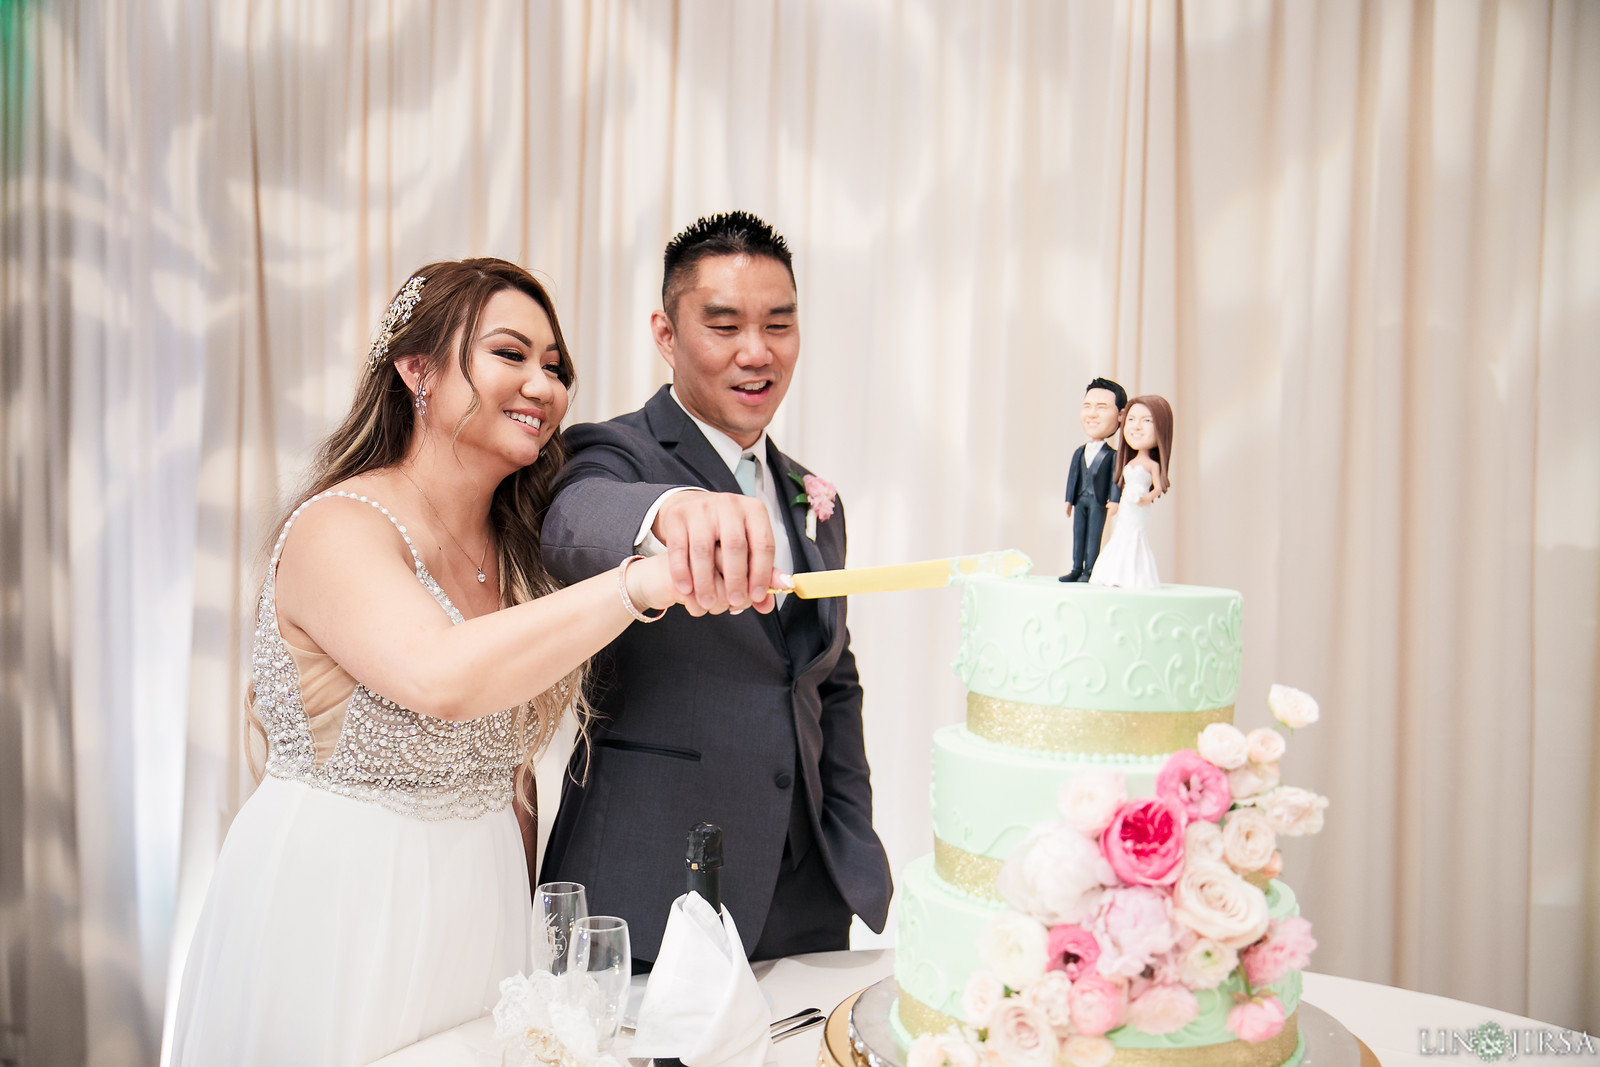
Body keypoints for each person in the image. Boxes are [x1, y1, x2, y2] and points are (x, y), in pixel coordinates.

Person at [170, 259, 714, 1066]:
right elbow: (442, 676)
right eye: (510, 353)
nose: (543, 384)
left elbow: (512, 770)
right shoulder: (338, 526)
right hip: (341, 909)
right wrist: (639, 584)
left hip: (480, 910)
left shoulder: (518, 549)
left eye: (555, 366)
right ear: (416, 369)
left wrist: (528, 927)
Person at [538, 211, 893, 964]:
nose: (756, 352)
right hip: (647, 883)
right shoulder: (615, 452)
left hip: (809, 895)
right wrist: (670, 511)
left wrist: (848, 829)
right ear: (666, 334)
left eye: (779, 325)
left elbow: (831, 681)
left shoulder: (812, 494)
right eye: (724, 325)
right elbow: (572, 523)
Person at [1089, 394, 1174, 589]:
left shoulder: (1152, 465)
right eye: (1131, 420)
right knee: (1120, 533)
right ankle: (1114, 574)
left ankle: (1136, 576)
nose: (1136, 426)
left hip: (1140, 506)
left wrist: (1148, 497)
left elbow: (1159, 486)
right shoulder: (1129, 461)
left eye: (1147, 421)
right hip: (1127, 505)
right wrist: (1116, 502)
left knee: (1135, 535)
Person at [1061, 377, 1127, 582]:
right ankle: (1076, 568)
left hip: (1099, 501)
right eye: (1087, 406)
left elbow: (1116, 479)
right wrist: (1068, 500)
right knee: (1078, 533)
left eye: (1101, 407)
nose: (1092, 413)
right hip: (1080, 500)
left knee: (1093, 536)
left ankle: (1089, 570)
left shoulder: (1113, 455)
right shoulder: (1079, 452)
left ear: (1120, 415)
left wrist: (1115, 500)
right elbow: (1073, 476)